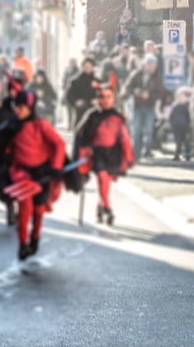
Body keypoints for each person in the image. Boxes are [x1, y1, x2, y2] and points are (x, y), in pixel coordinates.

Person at [0, 89, 67, 260]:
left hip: (42, 171)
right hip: (21, 171)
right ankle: (22, 243)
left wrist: (56, 166)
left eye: (22, 107)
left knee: (39, 210)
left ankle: (35, 238)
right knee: (25, 206)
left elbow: (59, 144)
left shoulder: (41, 125)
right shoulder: (11, 127)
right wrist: (5, 157)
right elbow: (4, 147)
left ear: (30, 108)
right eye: (16, 107)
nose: (18, 111)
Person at [73, 82, 135, 225]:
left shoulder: (118, 117)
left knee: (106, 182)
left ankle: (101, 205)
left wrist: (128, 157)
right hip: (97, 153)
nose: (106, 100)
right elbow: (81, 135)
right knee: (102, 178)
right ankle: (107, 208)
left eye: (109, 97)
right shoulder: (92, 116)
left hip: (113, 154)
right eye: (102, 97)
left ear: (114, 99)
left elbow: (125, 138)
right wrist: (82, 152)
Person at [121, 54, 166, 160]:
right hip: (137, 106)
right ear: (145, 64)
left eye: (154, 66)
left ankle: (147, 152)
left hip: (150, 106)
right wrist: (136, 92)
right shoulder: (136, 74)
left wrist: (150, 95)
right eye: (150, 65)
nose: (152, 68)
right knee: (136, 130)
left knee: (149, 130)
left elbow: (161, 93)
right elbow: (127, 88)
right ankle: (136, 153)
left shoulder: (158, 77)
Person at [65, 57, 99, 129]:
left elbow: (103, 94)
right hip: (81, 111)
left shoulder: (97, 81)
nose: (88, 68)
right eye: (86, 67)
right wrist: (75, 102)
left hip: (94, 111)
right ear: (83, 67)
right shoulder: (75, 81)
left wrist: (98, 100)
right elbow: (69, 96)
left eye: (90, 67)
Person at [168, 86, 194, 161]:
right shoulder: (175, 106)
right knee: (177, 141)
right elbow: (171, 116)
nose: (181, 98)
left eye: (183, 96)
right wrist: (171, 123)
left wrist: (190, 124)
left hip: (185, 127)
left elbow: (189, 116)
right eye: (179, 96)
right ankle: (177, 154)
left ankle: (188, 155)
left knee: (186, 141)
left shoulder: (187, 106)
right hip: (176, 126)